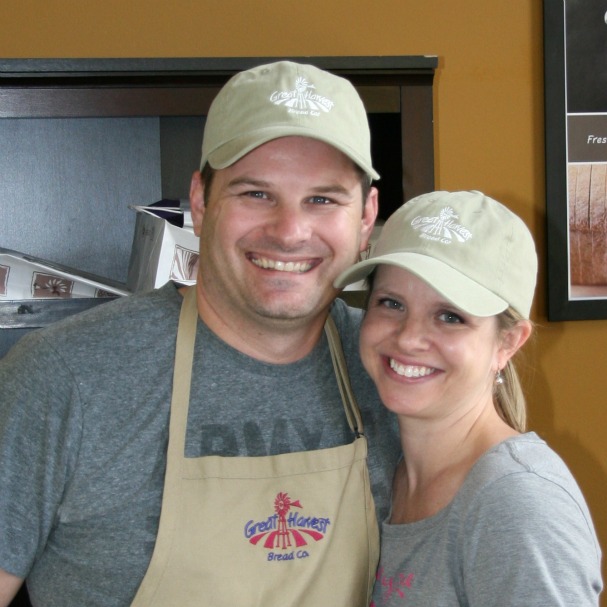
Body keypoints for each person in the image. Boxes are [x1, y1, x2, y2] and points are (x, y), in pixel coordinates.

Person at [0, 61, 401, 607]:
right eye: (255, 193)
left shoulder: (394, 372)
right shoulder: (62, 378)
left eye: (323, 199)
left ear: (366, 217)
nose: (289, 231)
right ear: (201, 200)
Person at [334, 190, 603, 606]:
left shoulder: (517, 505)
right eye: (391, 303)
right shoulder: (386, 464)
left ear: (508, 342)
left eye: (450, 316)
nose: (408, 338)